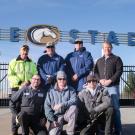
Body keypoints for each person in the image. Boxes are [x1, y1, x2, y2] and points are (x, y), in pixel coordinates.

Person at [94, 41, 123, 135]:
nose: (107, 49)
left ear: (111, 48)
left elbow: (119, 71)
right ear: (103, 49)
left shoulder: (117, 59)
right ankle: (102, 128)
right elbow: (95, 72)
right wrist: (100, 80)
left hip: (113, 87)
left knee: (115, 109)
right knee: (101, 108)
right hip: (101, 88)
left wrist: (110, 80)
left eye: (109, 47)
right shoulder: (99, 61)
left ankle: (118, 130)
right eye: (105, 47)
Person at [8, 45, 38, 135]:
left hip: (27, 89)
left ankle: (28, 128)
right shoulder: (13, 62)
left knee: (26, 109)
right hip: (16, 89)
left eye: (26, 53)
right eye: (23, 53)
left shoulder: (32, 63)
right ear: (20, 52)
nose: (24, 54)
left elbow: (35, 73)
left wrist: (28, 81)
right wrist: (21, 82)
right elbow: (10, 75)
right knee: (16, 110)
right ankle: (15, 130)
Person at [45, 71, 78, 135]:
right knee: (53, 133)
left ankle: (70, 132)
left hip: (67, 115)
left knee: (74, 107)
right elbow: (47, 107)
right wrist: (52, 120)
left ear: (66, 80)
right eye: (60, 79)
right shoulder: (50, 91)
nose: (62, 80)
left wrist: (62, 104)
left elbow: (75, 100)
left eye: (64, 79)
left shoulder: (71, 89)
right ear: (57, 79)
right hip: (56, 117)